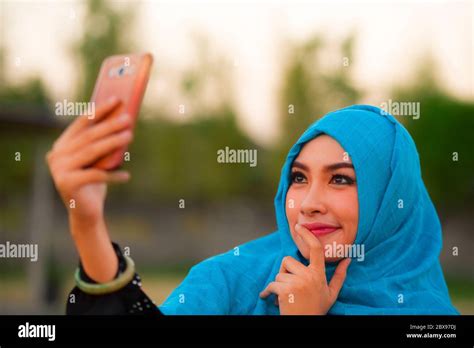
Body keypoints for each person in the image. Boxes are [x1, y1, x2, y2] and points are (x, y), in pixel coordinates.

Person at [46, 102, 459, 315]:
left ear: (391, 203)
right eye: (299, 178)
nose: (309, 204)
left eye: (341, 179)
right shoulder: (228, 282)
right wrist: (87, 223)